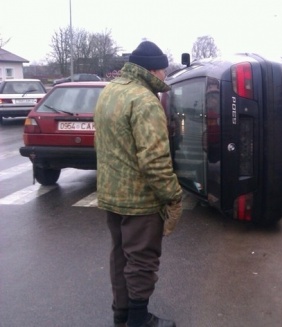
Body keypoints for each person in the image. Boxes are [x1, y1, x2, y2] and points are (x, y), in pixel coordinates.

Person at [94, 41, 183, 327]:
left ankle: (122, 314)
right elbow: (154, 161)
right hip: (140, 201)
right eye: (164, 71)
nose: (165, 77)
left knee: (120, 255)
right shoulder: (145, 101)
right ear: (154, 70)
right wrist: (173, 195)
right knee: (142, 261)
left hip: (112, 194)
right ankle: (137, 320)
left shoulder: (110, 91)